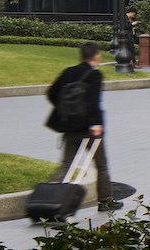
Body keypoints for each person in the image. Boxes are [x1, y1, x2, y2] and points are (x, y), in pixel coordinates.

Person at [43, 40, 113, 209]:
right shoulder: (95, 75)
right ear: (97, 57)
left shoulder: (68, 72)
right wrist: (95, 123)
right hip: (90, 129)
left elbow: (52, 92)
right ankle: (106, 201)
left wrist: (66, 109)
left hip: (69, 126)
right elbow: (93, 102)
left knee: (66, 164)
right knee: (101, 165)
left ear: (81, 56)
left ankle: (48, 198)